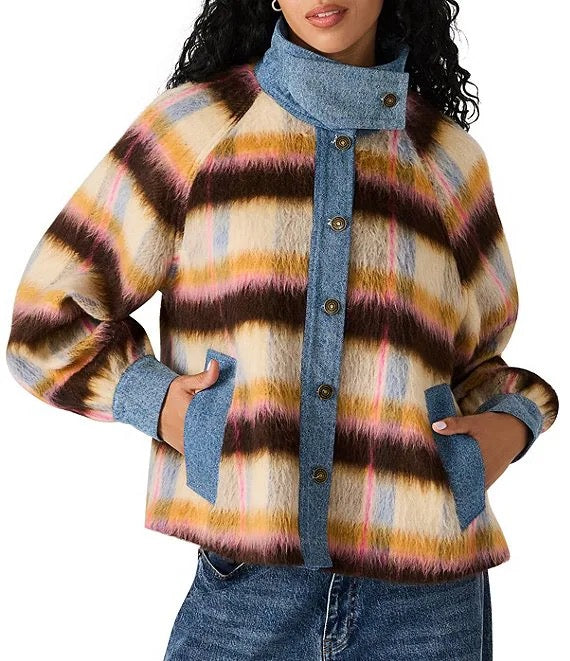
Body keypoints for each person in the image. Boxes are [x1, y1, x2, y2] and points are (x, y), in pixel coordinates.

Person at [5, 1, 559, 659]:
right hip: (249, 588)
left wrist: (512, 424)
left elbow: (477, 364)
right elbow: (48, 319)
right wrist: (160, 404)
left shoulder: (449, 161)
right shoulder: (194, 129)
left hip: (428, 599)